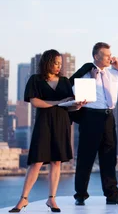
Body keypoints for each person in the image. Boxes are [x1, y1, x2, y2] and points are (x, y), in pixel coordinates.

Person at [9, 50, 84, 213]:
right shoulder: (35, 80)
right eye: (56, 63)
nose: (59, 66)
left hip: (62, 122)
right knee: (36, 161)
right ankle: (23, 199)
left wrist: (77, 105)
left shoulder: (64, 81)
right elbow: (35, 102)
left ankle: (52, 199)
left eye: (60, 64)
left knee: (56, 162)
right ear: (47, 62)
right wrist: (59, 102)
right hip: (44, 123)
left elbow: (69, 104)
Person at [69, 42, 118, 206]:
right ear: (96, 56)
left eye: (111, 54)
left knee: (109, 158)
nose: (110, 57)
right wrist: (90, 79)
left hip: (108, 117)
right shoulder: (86, 73)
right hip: (90, 117)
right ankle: (80, 195)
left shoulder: (113, 74)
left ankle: (112, 195)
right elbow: (73, 90)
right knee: (86, 158)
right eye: (106, 55)